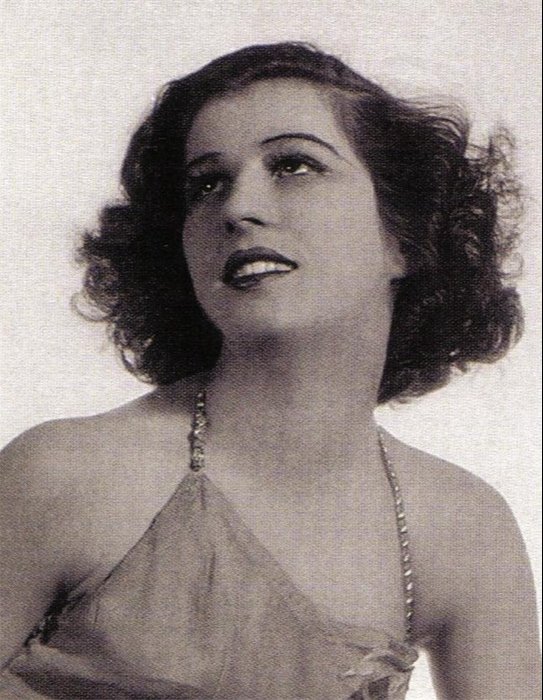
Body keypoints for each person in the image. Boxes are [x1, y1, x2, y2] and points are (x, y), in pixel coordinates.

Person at [0, 42, 539, 700]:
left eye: (293, 165)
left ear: (404, 236)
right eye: (206, 184)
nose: (237, 208)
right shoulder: (64, 475)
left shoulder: (460, 524)